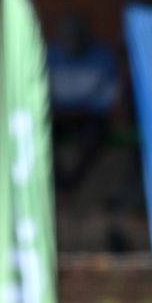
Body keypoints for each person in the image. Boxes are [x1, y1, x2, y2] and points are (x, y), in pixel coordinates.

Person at [46, 11, 120, 195]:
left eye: (76, 33)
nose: (72, 38)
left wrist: (81, 112)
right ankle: (57, 181)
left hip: (89, 118)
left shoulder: (102, 58)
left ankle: (74, 180)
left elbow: (109, 101)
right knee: (41, 130)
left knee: (98, 131)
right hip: (59, 117)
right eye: (67, 34)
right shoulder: (48, 57)